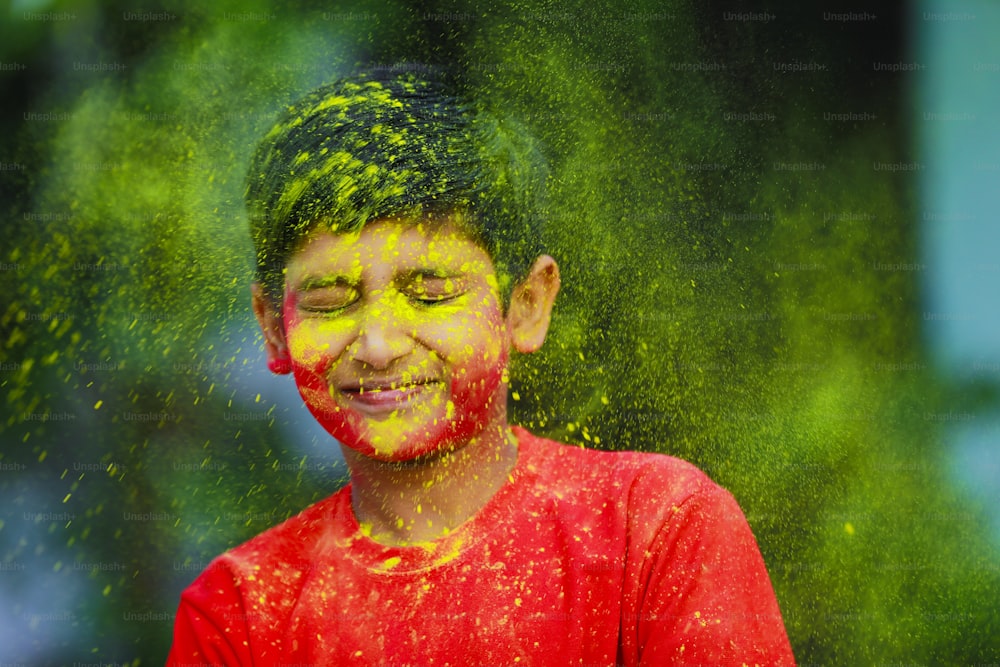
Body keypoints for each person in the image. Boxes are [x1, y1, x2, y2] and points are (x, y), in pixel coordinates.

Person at [167, 66, 796, 666]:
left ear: (525, 304)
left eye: (432, 293)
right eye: (331, 302)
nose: (379, 345)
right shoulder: (243, 611)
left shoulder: (655, 529)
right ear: (275, 326)